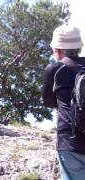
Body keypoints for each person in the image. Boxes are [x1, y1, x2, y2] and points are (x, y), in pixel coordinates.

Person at [42, 25, 85, 180]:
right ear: (79, 47)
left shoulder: (53, 69)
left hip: (70, 142)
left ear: (56, 49)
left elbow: (48, 101)